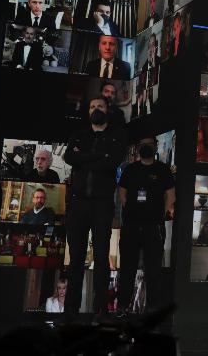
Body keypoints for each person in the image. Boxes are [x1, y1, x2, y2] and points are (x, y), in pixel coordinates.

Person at [63, 95, 128, 318]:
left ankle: (100, 308)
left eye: (100, 106)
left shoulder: (118, 135)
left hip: (102, 204)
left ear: (107, 109)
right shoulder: (79, 135)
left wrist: (86, 158)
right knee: (76, 258)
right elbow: (69, 157)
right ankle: (71, 308)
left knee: (101, 257)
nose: (96, 109)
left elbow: (113, 161)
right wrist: (99, 155)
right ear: (88, 111)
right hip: (79, 203)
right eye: (92, 106)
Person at [116, 137, 175, 317]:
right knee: (127, 267)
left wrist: (158, 214)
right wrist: (134, 212)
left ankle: (153, 308)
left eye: (149, 144)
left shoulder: (163, 170)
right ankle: (122, 307)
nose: (146, 147)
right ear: (138, 147)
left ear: (156, 146)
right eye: (143, 144)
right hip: (131, 225)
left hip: (154, 226)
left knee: (154, 269)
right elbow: (122, 194)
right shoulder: (130, 169)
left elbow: (171, 197)